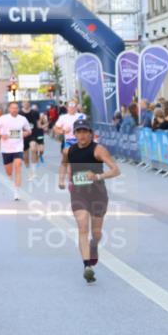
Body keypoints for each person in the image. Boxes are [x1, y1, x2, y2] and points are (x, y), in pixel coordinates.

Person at [58, 118, 121, 283]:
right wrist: (61, 179)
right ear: (74, 134)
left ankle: (94, 245)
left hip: (98, 194)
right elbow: (63, 164)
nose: (82, 135)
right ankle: (87, 266)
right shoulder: (68, 151)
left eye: (85, 132)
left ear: (90, 133)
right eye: (79, 132)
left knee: (96, 233)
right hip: (78, 193)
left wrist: (98, 176)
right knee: (83, 227)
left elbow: (116, 170)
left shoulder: (98, 150)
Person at [0, 102, 31, 200]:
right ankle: (9, 178)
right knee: (9, 172)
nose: (14, 110)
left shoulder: (23, 119)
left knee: (18, 166)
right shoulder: (3, 118)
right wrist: (1, 135)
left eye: (16, 108)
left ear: (18, 109)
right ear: (9, 109)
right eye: (12, 108)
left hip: (18, 147)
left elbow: (29, 131)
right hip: (6, 148)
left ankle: (16, 191)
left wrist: (25, 133)